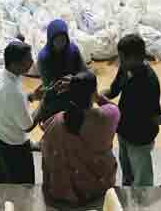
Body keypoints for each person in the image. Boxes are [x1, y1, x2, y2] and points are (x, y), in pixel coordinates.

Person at [42, 72, 119, 206]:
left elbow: (46, 152)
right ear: (93, 93)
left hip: (62, 191)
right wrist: (97, 96)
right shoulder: (107, 117)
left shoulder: (56, 121)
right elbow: (115, 109)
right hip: (97, 189)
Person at [103, 34, 161, 186]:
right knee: (127, 172)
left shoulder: (149, 82)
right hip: (123, 131)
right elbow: (113, 90)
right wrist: (93, 95)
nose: (119, 62)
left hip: (139, 138)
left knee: (142, 180)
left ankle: (142, 206)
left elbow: (155, 116)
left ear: (136, 58)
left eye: (122, 58)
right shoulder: (125, 69)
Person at [0, 41, 45, 184]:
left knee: (2, 172)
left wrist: (32, 97)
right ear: (15, 64)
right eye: (28, 60)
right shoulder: (13, 91)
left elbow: (3, 103)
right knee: (22, 183)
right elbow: (27, 126)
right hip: (12, 146)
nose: (32, 62)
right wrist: (43, 105)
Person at [36, 19, 88, 124]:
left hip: (74, 87)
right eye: (57, 40)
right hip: (56, 94)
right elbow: (48, 84)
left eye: (63, 40)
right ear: (50, 40)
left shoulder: (73, 50)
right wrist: (65, 84)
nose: (61, 44)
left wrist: (75, 80)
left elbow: (84, 70)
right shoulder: (44, 57)